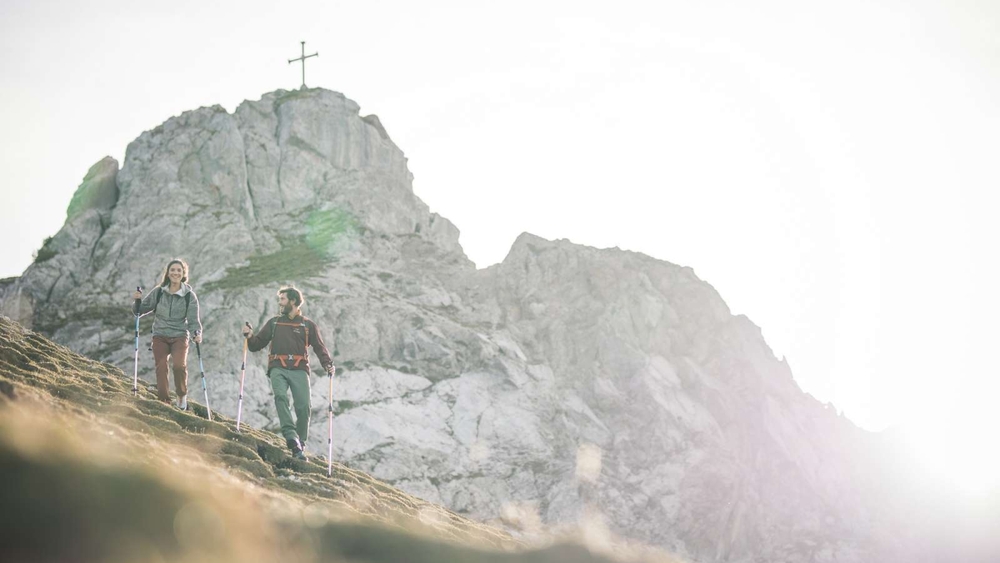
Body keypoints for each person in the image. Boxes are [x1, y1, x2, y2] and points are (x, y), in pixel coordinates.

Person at [243, 286, 334, 460]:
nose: (280, 303)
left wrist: (328, 364)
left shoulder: (308, 325)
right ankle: (291, 438)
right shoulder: (274, 322)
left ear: (293, 301)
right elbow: (256, 345)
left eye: (283, 299)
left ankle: (300, 443)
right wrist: (249, 336)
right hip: (277, 367)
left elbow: (319, 347)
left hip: (300, 369)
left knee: (304, 406)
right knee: (281, 397)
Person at [132, 259, 203, 409]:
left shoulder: (189, 296)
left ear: (183, 274)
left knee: (179, 366)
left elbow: (193, 320)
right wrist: (137, 301)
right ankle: (164, 401)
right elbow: (140, 311)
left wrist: (197, 333)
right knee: (161, 366)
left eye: (179, 270)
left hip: (180, 335)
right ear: (168, 273)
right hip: (160, 335)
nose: (175, 273)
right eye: (172, 270)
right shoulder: (158, 292)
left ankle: (181, 396)